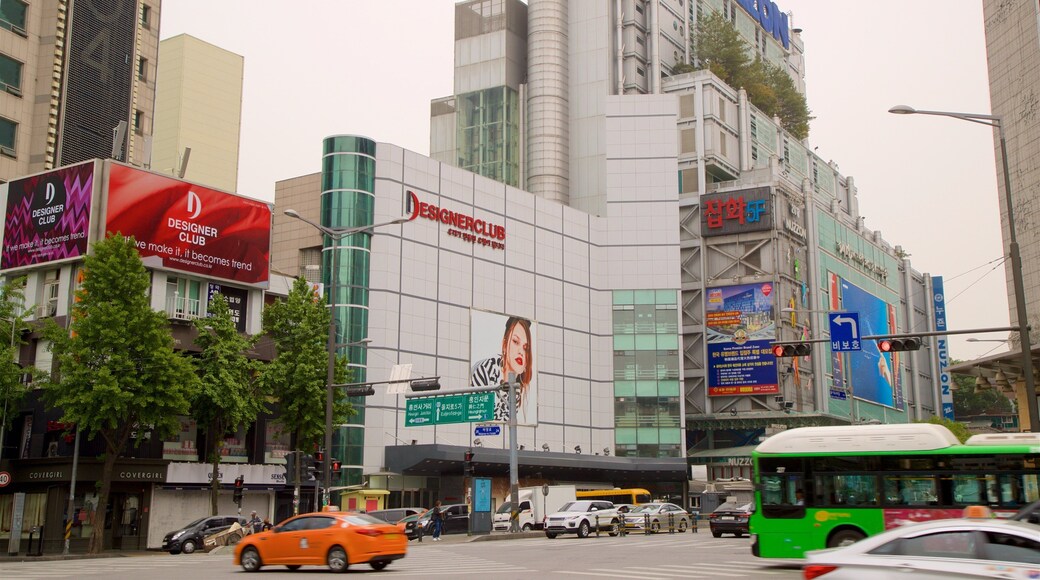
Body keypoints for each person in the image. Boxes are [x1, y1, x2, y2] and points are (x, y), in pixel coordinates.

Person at [471, 316, 533, 422]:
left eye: (525, 348)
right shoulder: (485, 371)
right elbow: (475, 417)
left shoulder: (519, 388)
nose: (521, 352)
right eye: (515, 341)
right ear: (505, 345)